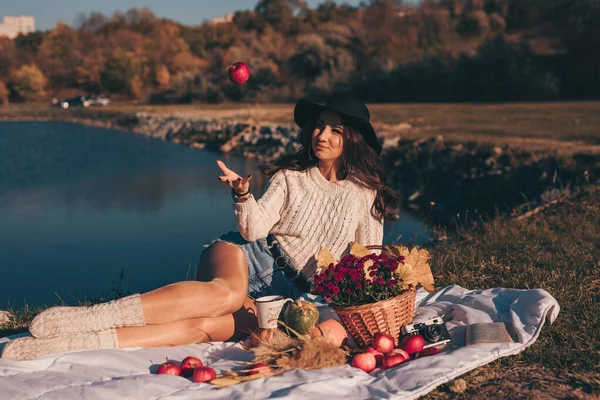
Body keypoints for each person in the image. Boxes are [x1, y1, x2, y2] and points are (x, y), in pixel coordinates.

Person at [1, 92, 399, 361]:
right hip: (251, 256)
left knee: (205, 329)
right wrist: (243, 195)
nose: (321, 136)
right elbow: (253, 230)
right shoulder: (290, 177)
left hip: (292, 295)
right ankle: (89, 317)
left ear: (353, 140)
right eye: (318, 126)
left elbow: (368, 264)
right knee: (223, 296)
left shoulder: (366, 194)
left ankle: (74, 344)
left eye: (334, 130)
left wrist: (341, 316)